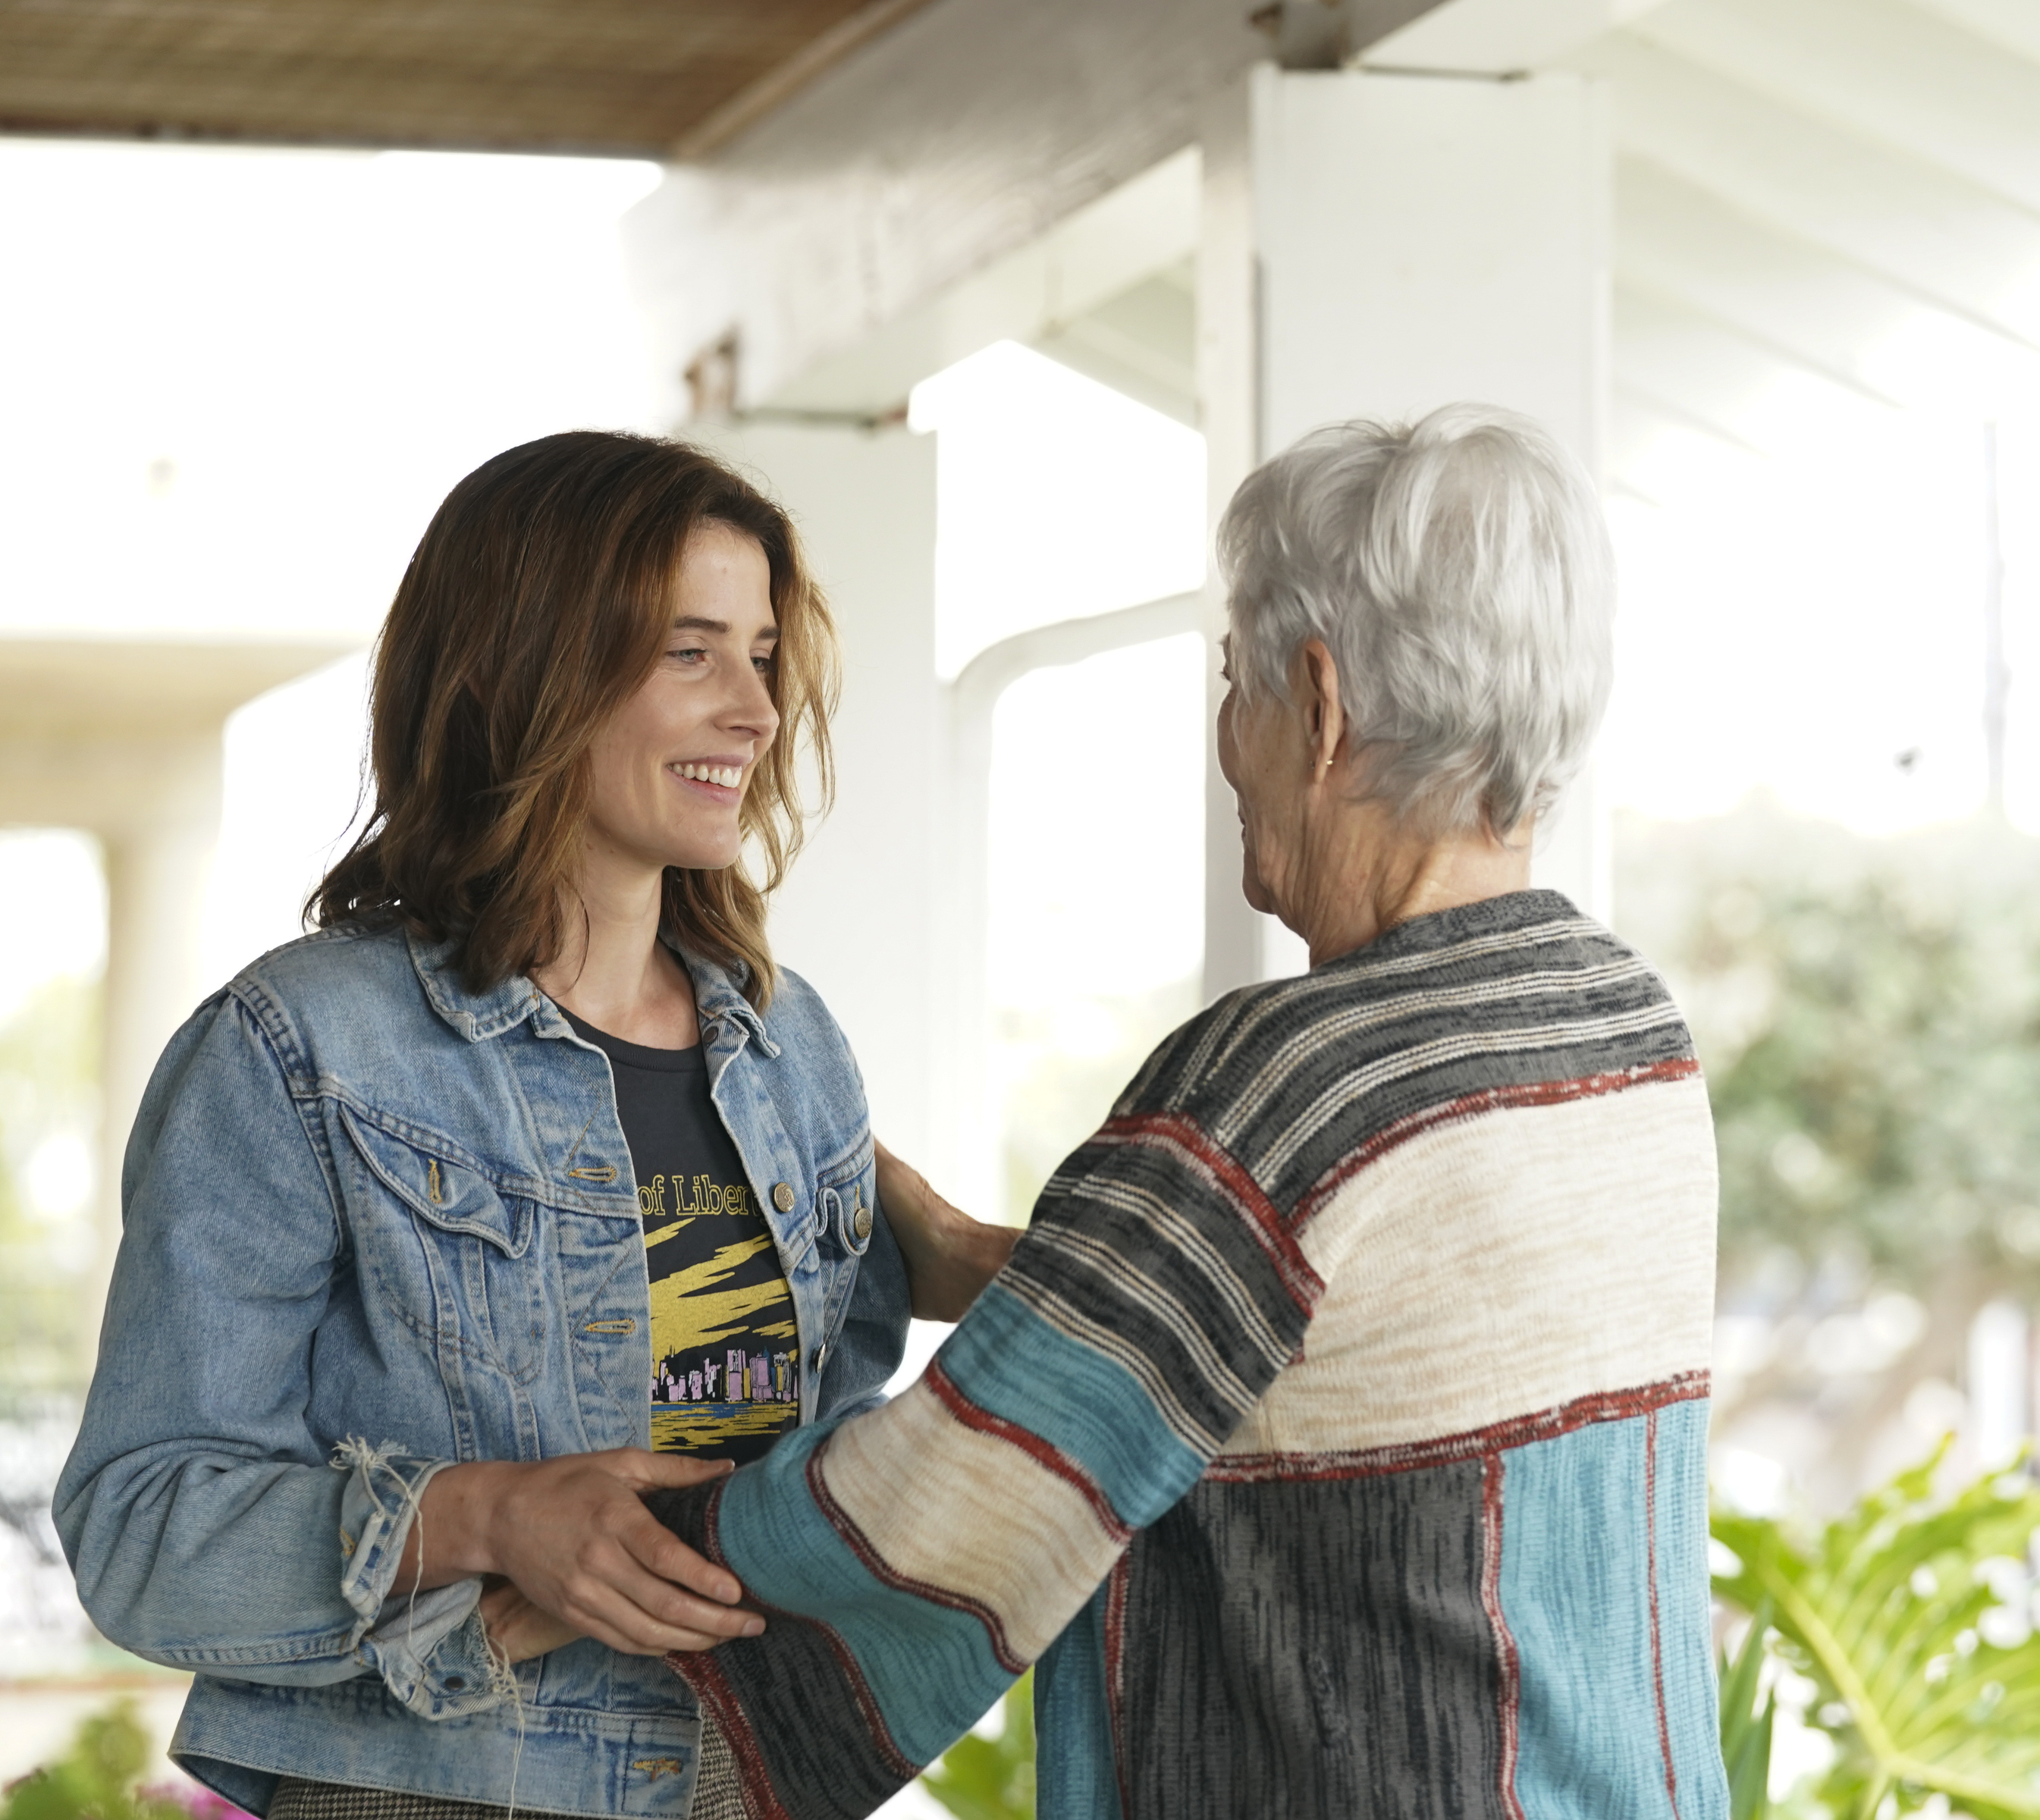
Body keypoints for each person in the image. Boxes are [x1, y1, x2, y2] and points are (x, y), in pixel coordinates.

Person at [648, 403, 1728, 1820]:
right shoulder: (1624, 1029)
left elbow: (947, 1515)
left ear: (1323, 706)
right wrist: (991, 1255)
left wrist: (571, 1536)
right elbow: (1306, 1351)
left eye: (1239, 683)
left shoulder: (1287, 1088)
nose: (1228, 736)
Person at [54, 431, 934, 1820]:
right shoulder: (302, 1052)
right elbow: (141, 1525)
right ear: (531, 673)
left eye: (763, 655)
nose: (757, 712)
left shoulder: (793, 1050)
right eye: (690, 652)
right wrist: (485, 1515)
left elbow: (827, 1458)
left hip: (745, 1782)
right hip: (435, 1787)